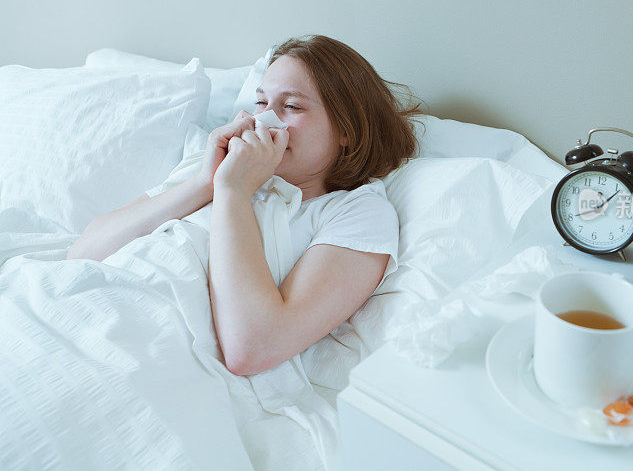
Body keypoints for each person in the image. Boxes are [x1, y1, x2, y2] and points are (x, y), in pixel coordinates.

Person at [67, 35, 420, 376]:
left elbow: (252, 349)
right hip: (79, 306)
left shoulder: (357, 213)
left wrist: (234, 193)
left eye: (292, 106)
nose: (264, 121)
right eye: (261, 102)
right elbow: (84, 253)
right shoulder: (216, 167)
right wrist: (205, 184)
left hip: (146, 346)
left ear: (348, 129)